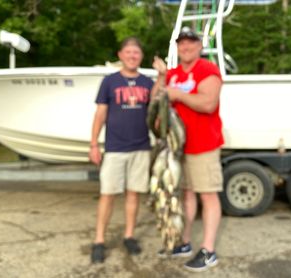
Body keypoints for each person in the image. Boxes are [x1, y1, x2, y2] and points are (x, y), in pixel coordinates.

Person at [152, 26, 224, 272]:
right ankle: (184, 243)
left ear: (200, 46)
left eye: (191, 42)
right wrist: (161, 77)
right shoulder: (172, 74)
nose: (186, 47)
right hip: (177, 148)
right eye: (181, 43)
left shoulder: (208, 70)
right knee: (187, 195)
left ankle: (208, 251)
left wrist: (178, 96)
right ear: (177, 47)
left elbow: (208, 103)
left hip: (203, 146)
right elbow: (155, 101)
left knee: (208, 195)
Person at [89, 37, 154, 264]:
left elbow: (156, 113)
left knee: (133, 193)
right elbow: (100, 114)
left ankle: (129, 235)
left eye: (136, 53)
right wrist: (94, 144)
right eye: (128, 52)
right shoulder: (109, 81)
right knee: (107, 195)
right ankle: (99, 240)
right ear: (120, 55)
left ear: (141, 57)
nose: (132, 56)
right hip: (115, 148)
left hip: (141, 147)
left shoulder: (148, 83)